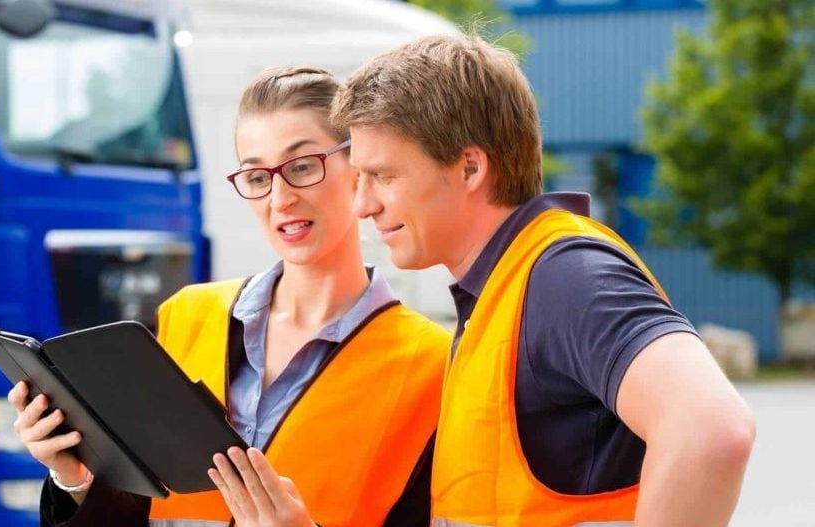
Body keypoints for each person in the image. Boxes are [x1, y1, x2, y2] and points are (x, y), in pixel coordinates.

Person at [219, 34, 757, 526]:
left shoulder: (565, 276)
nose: (363, 204)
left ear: (470, 168)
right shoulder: (504, 293)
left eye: (382, 176)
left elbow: (712, 430)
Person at [9, 66, 450, 527]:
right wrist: (74, 479)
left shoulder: (429, 367)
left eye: (302, 167)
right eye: (257, 176)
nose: (280, 198)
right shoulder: (187, 316)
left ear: (358, 169)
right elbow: (135, 512)